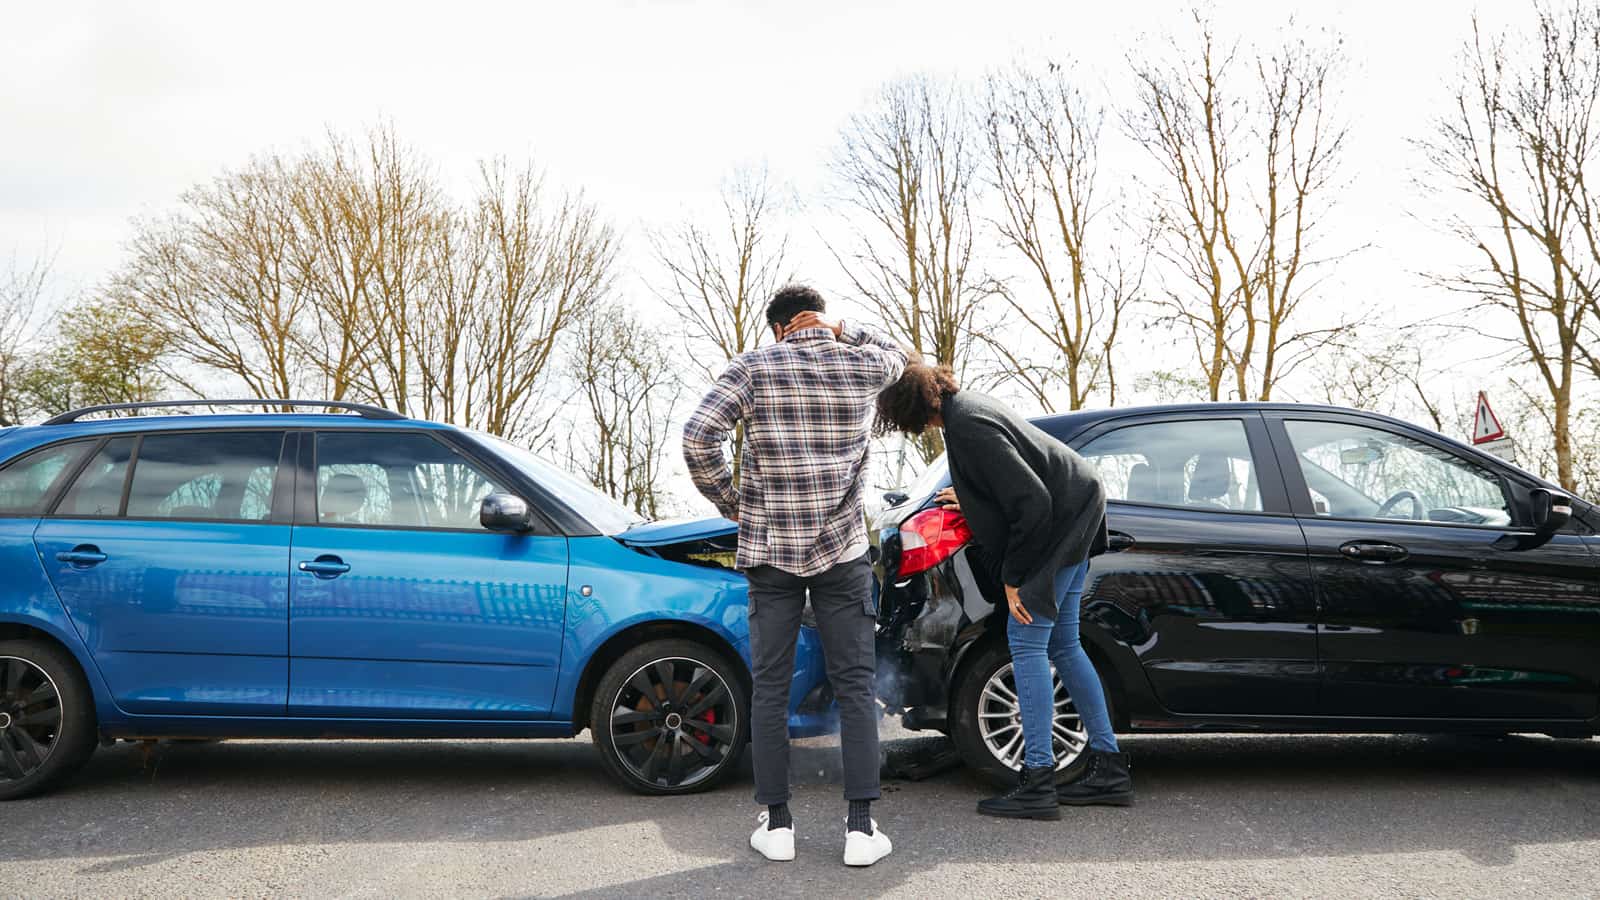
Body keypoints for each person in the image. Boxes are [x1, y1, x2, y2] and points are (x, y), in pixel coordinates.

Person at [683, 284, 906, 866]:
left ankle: (777, 824)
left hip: (770, 551)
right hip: (842, 551)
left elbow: (698, 436)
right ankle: (861, 828)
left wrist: (731, 501)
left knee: (772, 689)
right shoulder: (860, 362)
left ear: (777, 327)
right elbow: (903, 358)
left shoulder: (754, 366)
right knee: (856, 687)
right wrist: (846, 332)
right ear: (819, 320)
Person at [875, 360, 1133, 820]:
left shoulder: (968, 425)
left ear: (908, 408)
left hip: (1059, 521)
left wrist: (1015, 579)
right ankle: (1109, 768)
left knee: (1027, 641)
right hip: (1077, 508)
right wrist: (972, 499)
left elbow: (1031, 504)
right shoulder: (967, 409)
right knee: (1065, 644)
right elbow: (1012, 486)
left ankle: (1037, 781)